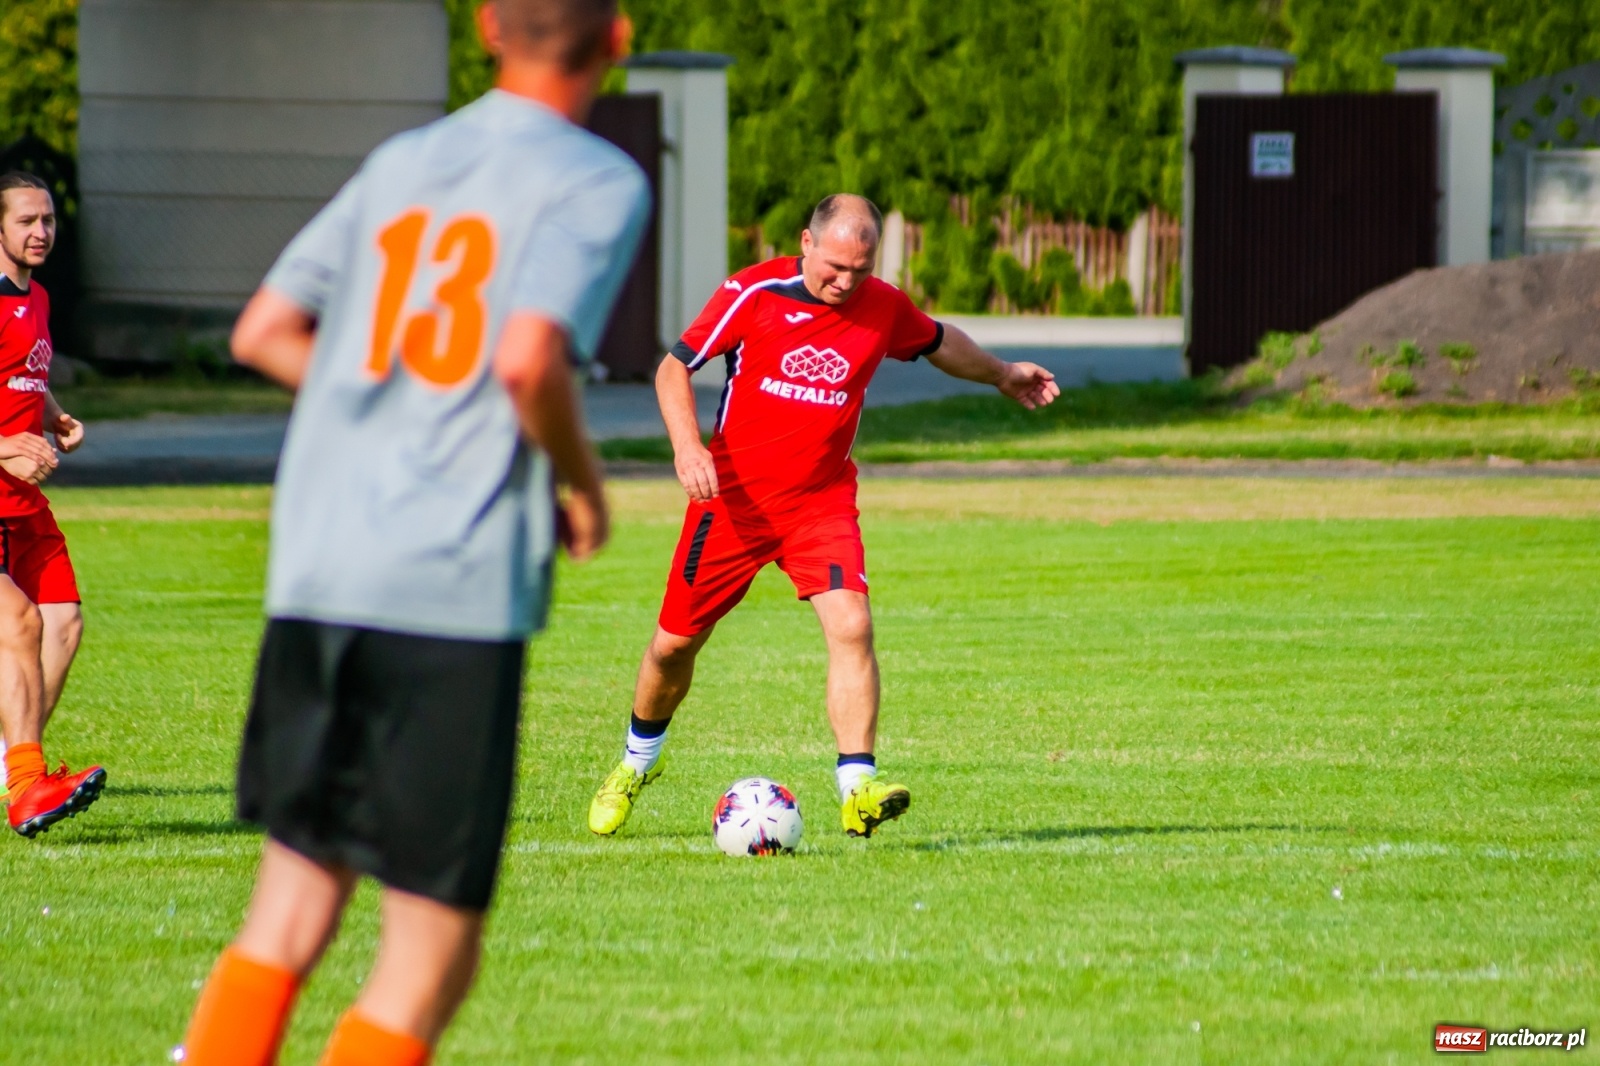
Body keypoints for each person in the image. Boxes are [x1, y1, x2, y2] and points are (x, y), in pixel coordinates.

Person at [176, 2, 648, 1062]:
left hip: (319, 568)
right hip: (449, 582)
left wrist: (381, 405)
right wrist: (587, 487)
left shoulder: (404, 159)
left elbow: (265, 329)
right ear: (616, 37)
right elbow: (527, 360)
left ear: (487, 27)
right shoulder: (596, 180)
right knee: (430, 949)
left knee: (289, 910)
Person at [587, 194, 1061, 839]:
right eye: (835, 265)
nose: (845, 281)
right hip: (733, 503)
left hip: (821, 501)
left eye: (859, 271)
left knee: (852, 623)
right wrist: (687, 445)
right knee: (673, 647)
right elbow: (675, 367)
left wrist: (1003, 373)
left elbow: (938, 342)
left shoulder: (883, 305)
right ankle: (634, 765)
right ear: (806, 244)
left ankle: (858, 788)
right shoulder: (754, 292)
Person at [0, 170, 99, 839]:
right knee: (21, 622)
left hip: (20, 497)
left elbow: (22, 370)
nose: (41, 232)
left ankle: (13, 762)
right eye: (26, 221)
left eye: (48, 220)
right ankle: (28, 784)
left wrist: (54, 415)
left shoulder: (34, 298)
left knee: (63, 621)